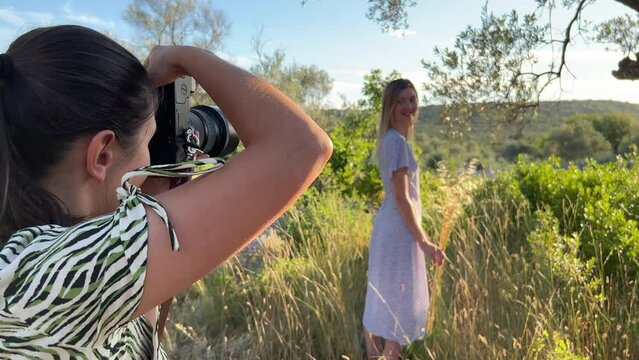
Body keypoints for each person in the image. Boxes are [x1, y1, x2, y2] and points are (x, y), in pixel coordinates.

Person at [0, 25, 332, 358]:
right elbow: (301, 146)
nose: (150, 157)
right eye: (148, 141)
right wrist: (183, 56)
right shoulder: (66, 272)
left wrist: (156, 193)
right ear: (102, 155)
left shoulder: (26, 255)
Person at [362, 79, 445, 360]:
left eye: (412, 99)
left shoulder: (390, 140)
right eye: (400, 101)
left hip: (391, 227)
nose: (408, 107)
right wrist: (424, 241)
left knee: (383, 300)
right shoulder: (396, 143)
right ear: (390, 106)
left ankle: (375, 355)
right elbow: (402, 198)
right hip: (399, 231)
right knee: (396, 304)